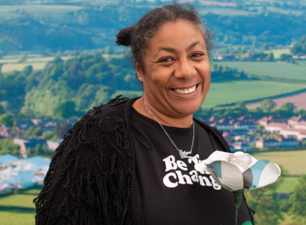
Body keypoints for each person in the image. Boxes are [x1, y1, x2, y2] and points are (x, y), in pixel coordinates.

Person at [34, 3, 254, 225]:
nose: (186, 71)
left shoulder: (214, 142)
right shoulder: (102, 136)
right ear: (140, 70)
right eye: (167, 59)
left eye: (196, 55)